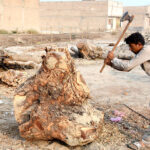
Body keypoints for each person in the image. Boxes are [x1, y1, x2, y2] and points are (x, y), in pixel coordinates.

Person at [105, 32, 150, 149]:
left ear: (139, 44)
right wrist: (111, 63)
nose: (130, 49)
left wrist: (113, 59)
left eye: (131, 46)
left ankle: (146, 142)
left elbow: (128, 66)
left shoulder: (146, 51)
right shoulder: (142, 52)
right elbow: (128, 66)